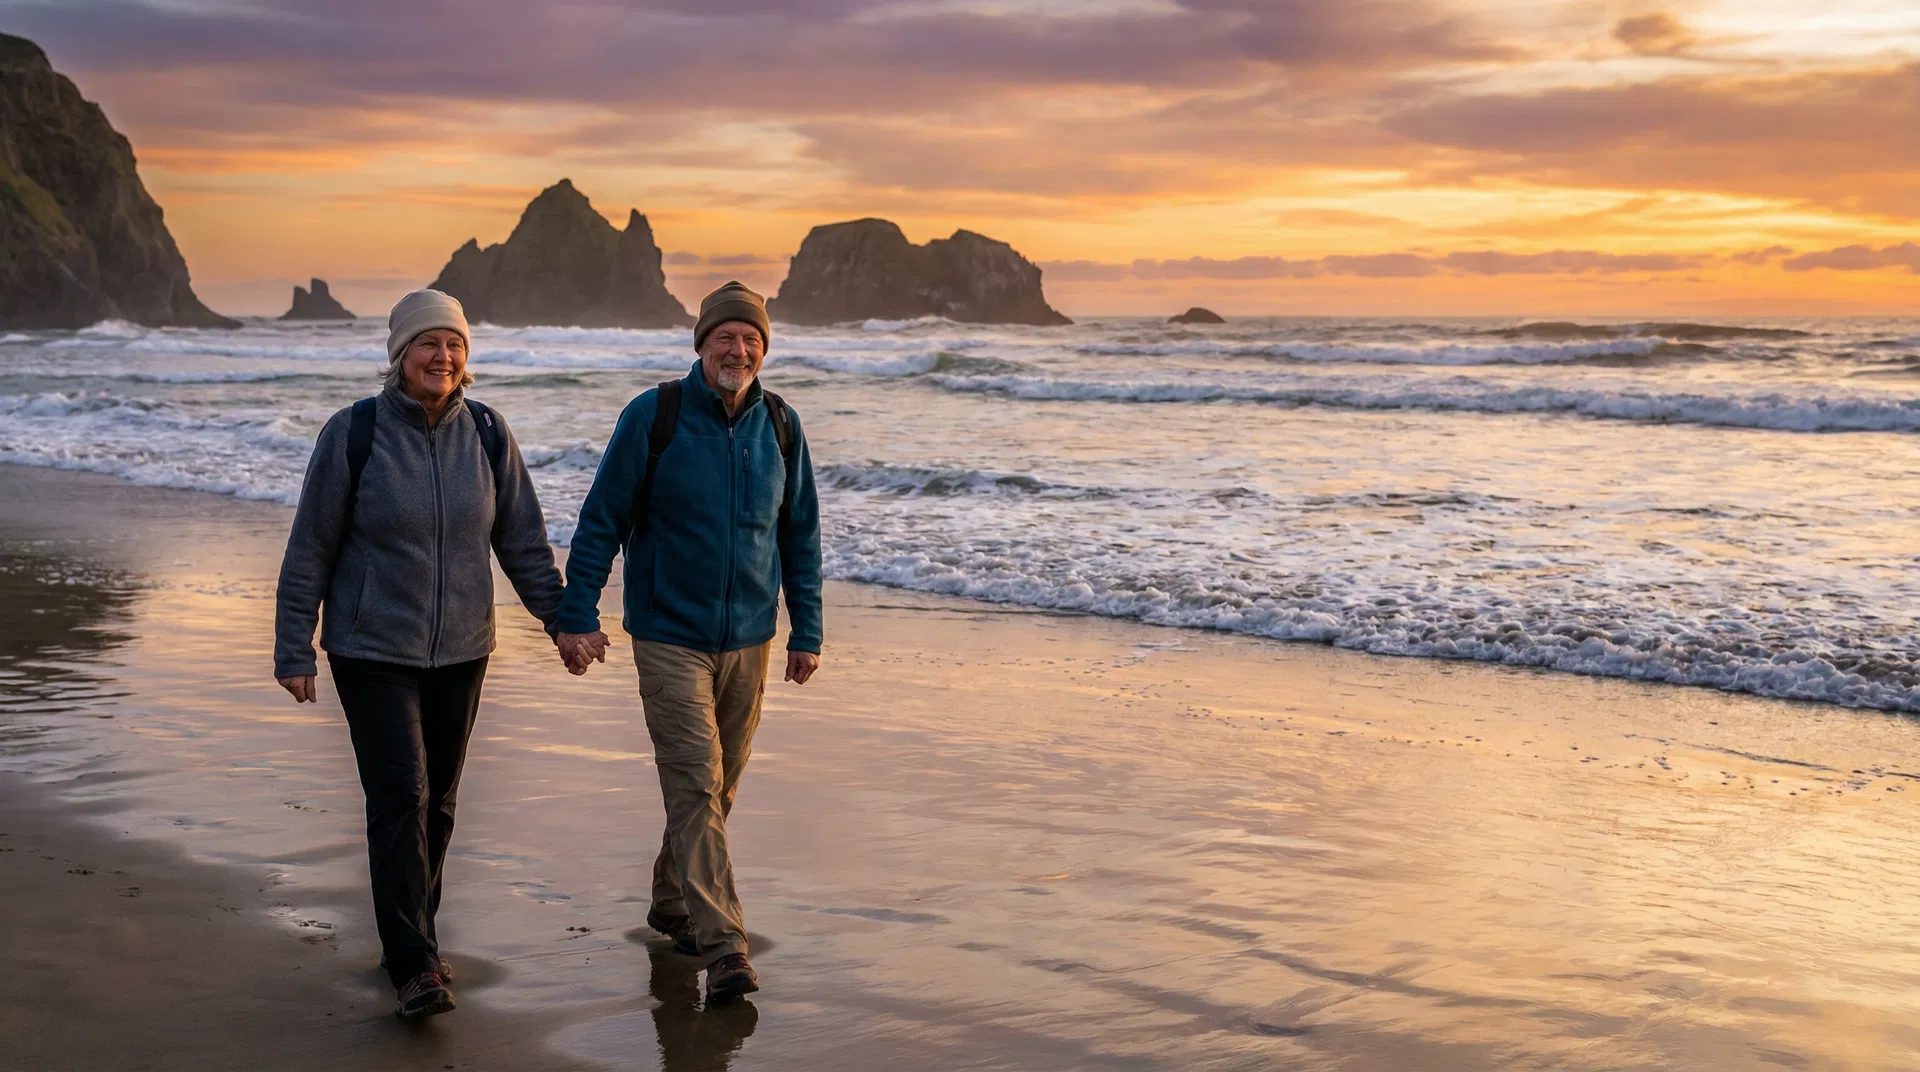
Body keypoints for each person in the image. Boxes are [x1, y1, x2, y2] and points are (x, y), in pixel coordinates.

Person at [272, 289, 570, 1020]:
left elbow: (523, 544)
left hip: (463, 648)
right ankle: (412, 961)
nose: (442, 357)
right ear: (399, 355)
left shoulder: (491, 435)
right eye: (428, 345)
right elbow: (311, 544)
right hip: (371, 645)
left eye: (454, 346)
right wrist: (293, 646)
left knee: (438, 802)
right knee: (400, 795)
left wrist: (564, 621)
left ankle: (416, 936)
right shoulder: (356, 434)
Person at [555, 280, 823, 1003]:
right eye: (725, 337)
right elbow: (601, 518)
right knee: (696, 782)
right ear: (701, 344)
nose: (738, 349)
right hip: (669, 633)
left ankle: (672, 904)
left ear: (764, 350)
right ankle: (724, 942)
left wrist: (810, 630)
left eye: (752, 339)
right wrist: (576, 613)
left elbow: (800, 536)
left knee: (718, 787)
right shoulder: (656, 415)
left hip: (751, 640)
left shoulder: (782, 425)